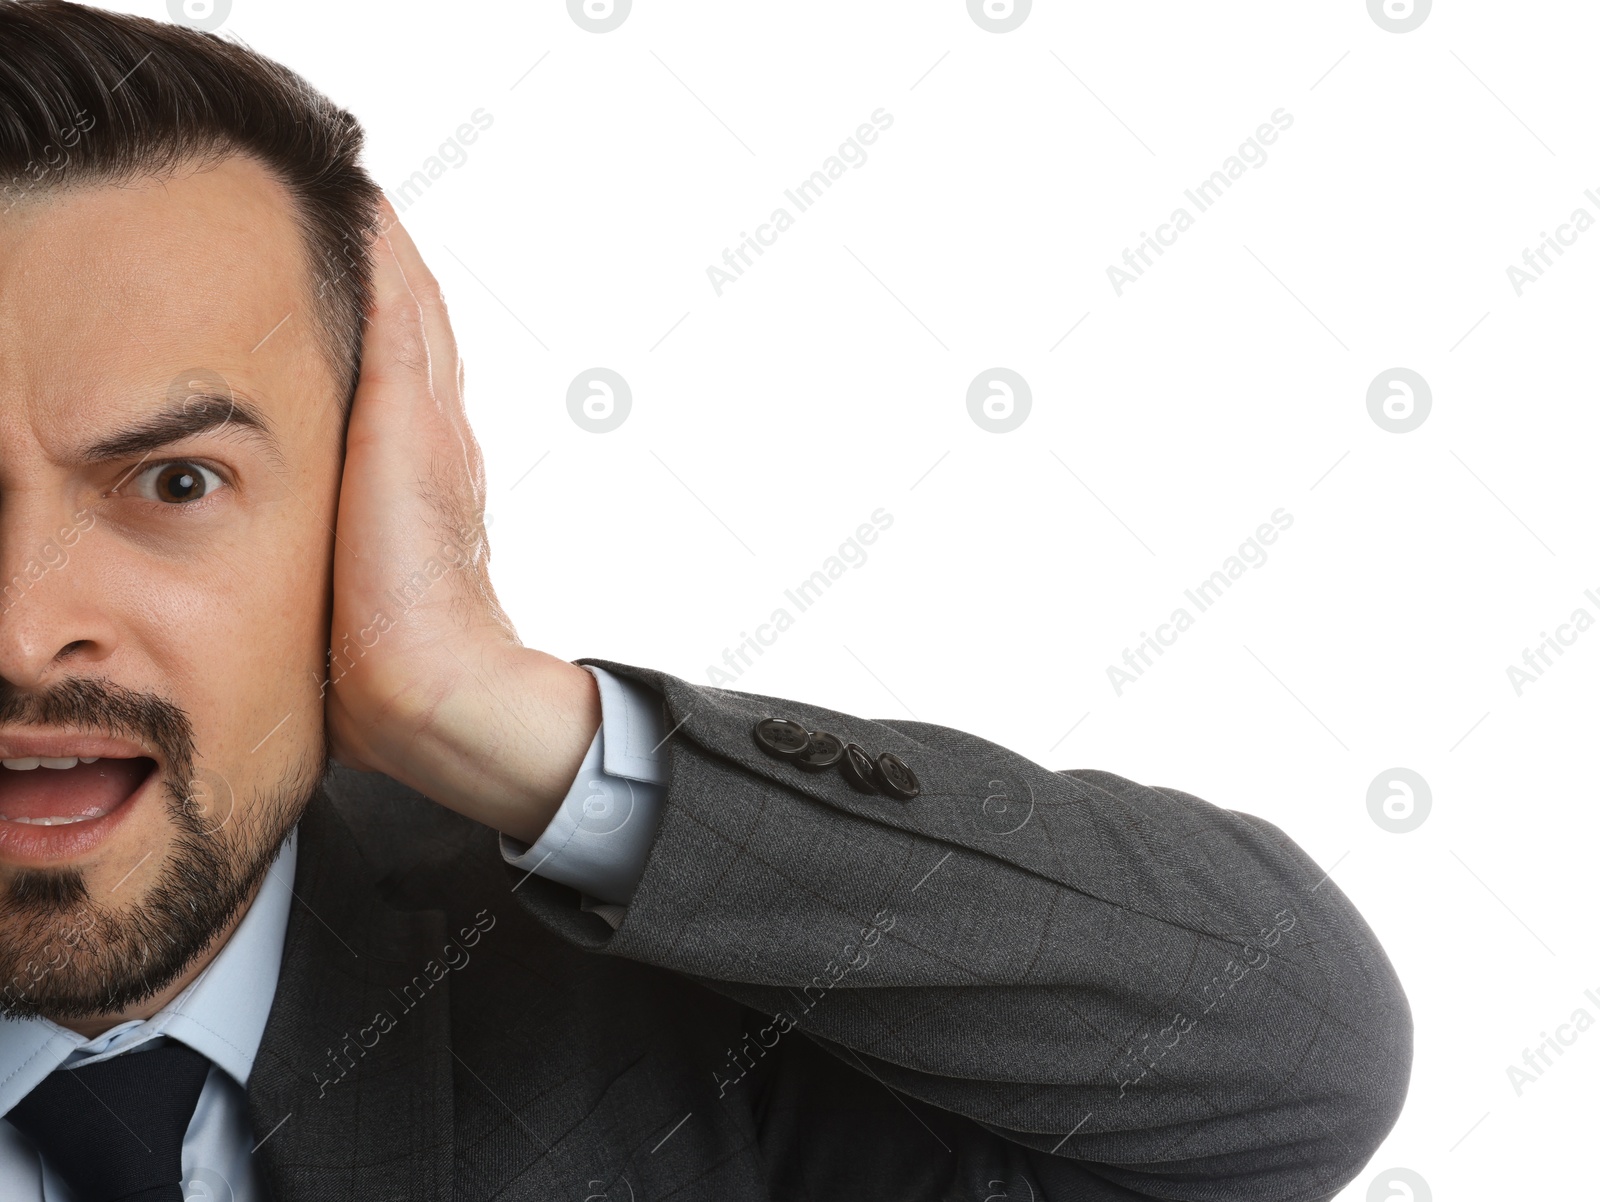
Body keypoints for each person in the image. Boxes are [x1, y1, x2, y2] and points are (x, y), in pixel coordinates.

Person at [0, 2, 1412, 1199]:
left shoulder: (666, 1045)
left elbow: (1291, 1057)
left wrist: (484, 705)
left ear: (364, 487)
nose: (23, 626)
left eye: (177, 484)